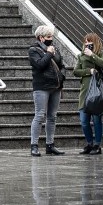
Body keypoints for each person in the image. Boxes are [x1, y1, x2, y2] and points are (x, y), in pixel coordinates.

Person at [28, 25, 66, 156]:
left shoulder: (55, 49)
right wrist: (49, 53)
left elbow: (61, 65)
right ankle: (34, 145)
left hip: (55, 86)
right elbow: (40, 65)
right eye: (49, 37)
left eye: (52, 36)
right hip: (42, 87)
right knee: (39, 115)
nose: (51, 39)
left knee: (52, 117)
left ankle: (50, 145)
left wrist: (62, 76)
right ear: (41, 38)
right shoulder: (34, 50)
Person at [73, 32, 103, 155]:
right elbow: (76, 71)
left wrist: (92, 55)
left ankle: (97, 145)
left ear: (95, 42)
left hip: (97, 92)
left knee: (97, 120)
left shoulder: (101, 53)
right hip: (85, 92)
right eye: (85, 42)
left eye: (90, 42)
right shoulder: (81, 55)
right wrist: (89, 71)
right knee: (84, 121)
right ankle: (89, 143)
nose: (87, 44)